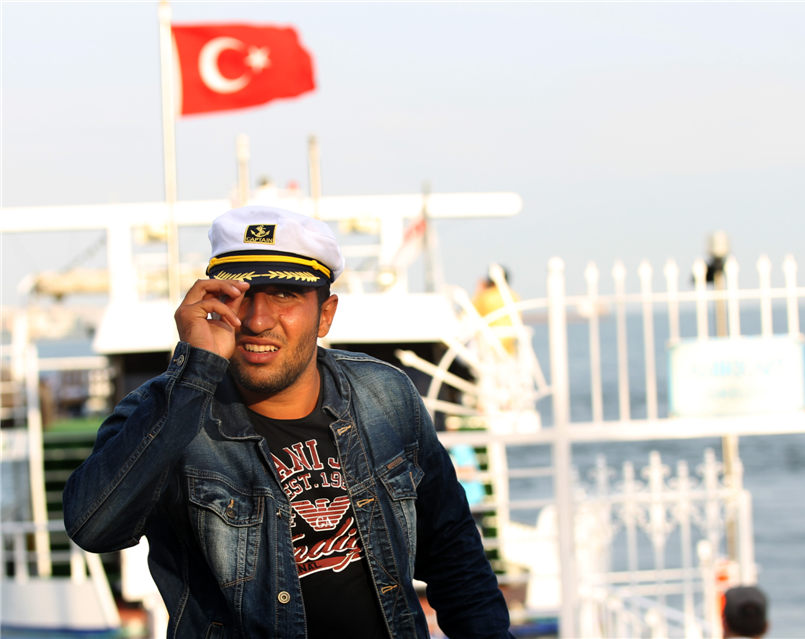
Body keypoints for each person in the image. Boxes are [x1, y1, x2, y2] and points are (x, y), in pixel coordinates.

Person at [63, 205, 514, 638]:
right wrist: (195, 372)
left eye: (284, 294)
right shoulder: (166, 410)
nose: (257, 320)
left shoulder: (385, 394)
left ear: (325, 314)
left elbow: (453, 551)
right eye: (239, 296)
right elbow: (94, 527)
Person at [471, 266, 520, 354]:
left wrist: (479, 290)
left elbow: (470, 314)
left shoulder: (485, 297)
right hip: (509, 348)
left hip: (488, 346)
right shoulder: (514, 296)